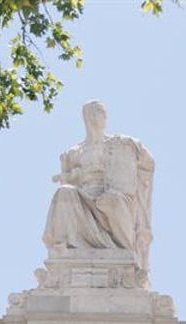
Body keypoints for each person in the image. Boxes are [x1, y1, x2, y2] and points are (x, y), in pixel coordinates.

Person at [42, 100, 156, 278]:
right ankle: (67, 244)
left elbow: (148, 164)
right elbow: (69, 179)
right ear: (86, 116)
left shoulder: (117, 144)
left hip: (112, 195)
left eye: (102, 113)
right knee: (63, 192)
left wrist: (136, 146)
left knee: (112, 200)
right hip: (83, 198)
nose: (101, 117)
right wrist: (71, 177)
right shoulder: (74, 152)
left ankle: (124, 249)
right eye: (96, 112)